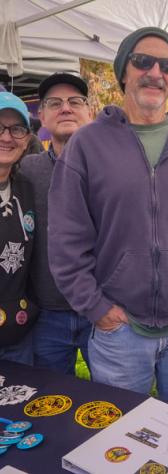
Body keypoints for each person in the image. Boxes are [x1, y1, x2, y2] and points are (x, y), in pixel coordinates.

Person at [47, 27, 168, 407]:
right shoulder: (87, 145)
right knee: (115, 440)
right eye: (142, 61)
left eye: (167, 66)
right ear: (122, 73)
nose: (155, 72)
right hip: (120, 328)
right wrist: (98, 309)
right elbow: (65, 239)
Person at [20, 73, 92, 375]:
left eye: (75, 101)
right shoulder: (25, 170)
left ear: (89, 112)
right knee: (51, 405)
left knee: (117, 406)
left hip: (101, 312)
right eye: (55, 103)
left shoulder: (113, 168)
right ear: (42, 115)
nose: (66, 108)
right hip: (46, 315)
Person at [0, 92, 38, 364]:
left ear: (26, 141)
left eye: (17, 128)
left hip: (17, 337)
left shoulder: (26, 189)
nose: (6, 137)